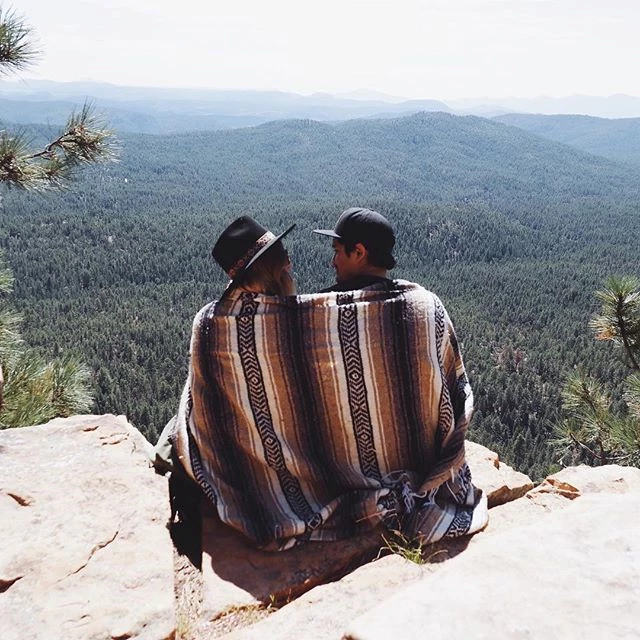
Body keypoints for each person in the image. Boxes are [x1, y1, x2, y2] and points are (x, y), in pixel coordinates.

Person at [171, 211, 488, 551]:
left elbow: (211, 409)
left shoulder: (217, 326)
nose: (331, 260)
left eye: (337, 250)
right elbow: (452, 391)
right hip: (415, 462)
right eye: (289, 264)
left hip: (286, 486)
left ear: (359, 252)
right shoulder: (426, 308)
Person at [313, 206, 396, 291]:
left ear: (358, 253)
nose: (333, 263)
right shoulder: (406, 296)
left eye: (337, 251)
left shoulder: (326, 301)